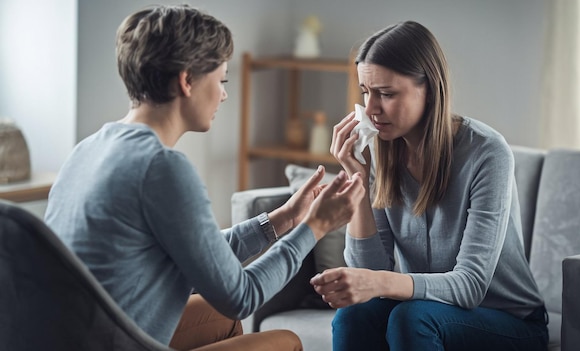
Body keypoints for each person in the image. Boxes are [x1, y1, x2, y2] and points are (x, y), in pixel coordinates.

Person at [44, 5, 365, 351]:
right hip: (115, 342)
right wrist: (315, 227)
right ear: (187, 81)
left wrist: (283, 219)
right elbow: (242, 295)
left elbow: (202, 253)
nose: (224, 94)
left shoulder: (89, 148)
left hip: (77, 335)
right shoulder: (161, 167)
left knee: (222, 319)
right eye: (221, 80)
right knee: (285, 342)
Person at [310, 21, 549, 350]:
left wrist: (377, 281)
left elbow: (469, 287)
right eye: (366, 92)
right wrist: (358, 181)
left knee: (412, 317)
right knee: (353, 316)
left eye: (387, 94)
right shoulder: (381, 152)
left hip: (508, 321)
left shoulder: (487, 153)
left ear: (430, 88)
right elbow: (371, 276)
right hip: (425, 309)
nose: (371, 109)